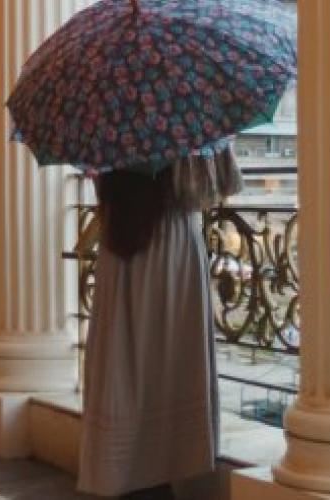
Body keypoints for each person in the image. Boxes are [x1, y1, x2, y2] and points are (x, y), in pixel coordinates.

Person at [79, 147, 242, 498]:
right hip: (172, 244)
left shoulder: (106, 132)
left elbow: (102, 190)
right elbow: (218, 188)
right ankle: (162, 467)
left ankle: (125, 469)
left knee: (123, 356)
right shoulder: (190, 130)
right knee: (168, 356)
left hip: (121, 245)